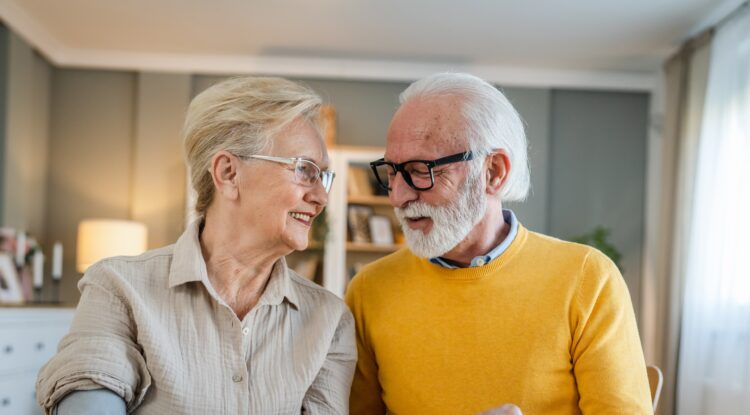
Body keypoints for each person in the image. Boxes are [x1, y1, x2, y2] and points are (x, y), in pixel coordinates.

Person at [37, 76, 356, 414]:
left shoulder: (329, 321)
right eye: (305, 170)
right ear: (229, 173)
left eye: (324, 176)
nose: (321, 197)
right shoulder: (119, 288)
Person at [345, 72, 653, 414]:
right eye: (391, 171)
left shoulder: (587, 278)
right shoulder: (368, 290)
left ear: (493, 172)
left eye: (420, 170)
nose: (398, 196)